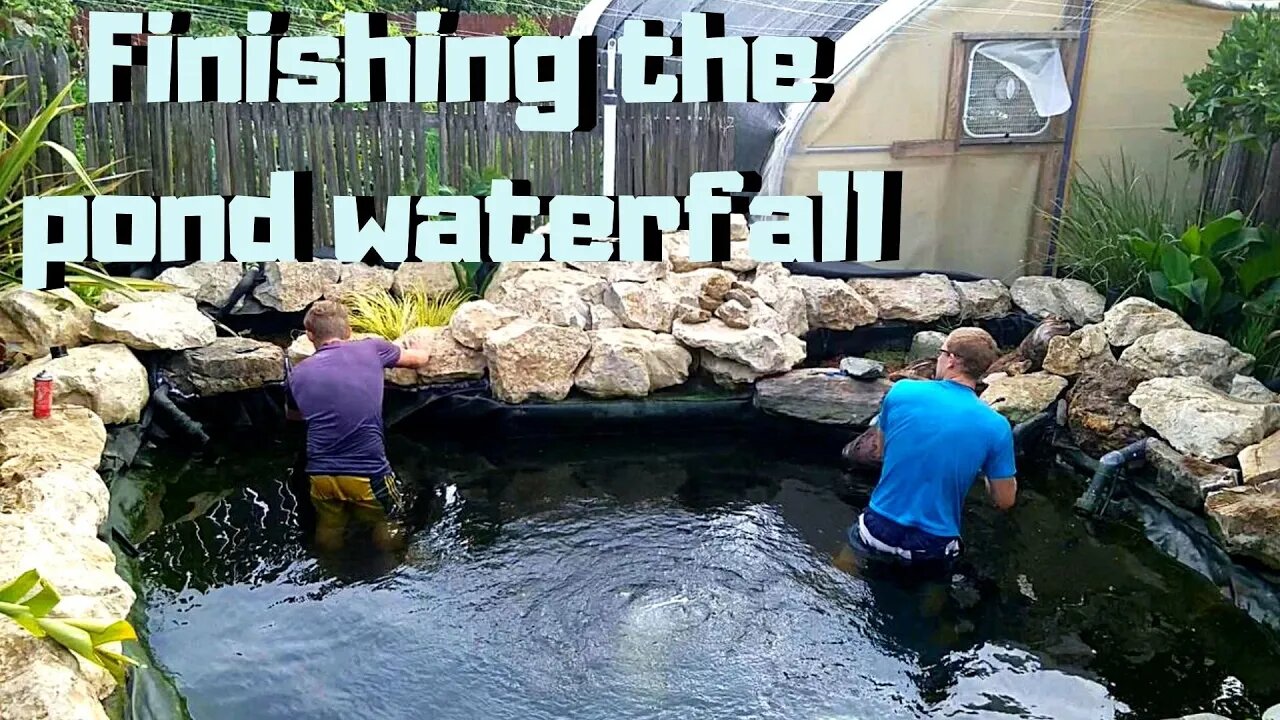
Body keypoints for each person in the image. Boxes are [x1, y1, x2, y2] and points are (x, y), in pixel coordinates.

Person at [837, 327, 1017, 577]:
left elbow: (880, 450)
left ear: (952, 360)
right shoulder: (997, 427)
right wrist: (986, 471)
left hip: (878, 529)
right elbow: (1005, 501)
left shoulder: (902, 391)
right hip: (933, 545)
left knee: (842, 575)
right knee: (928, 607)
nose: (939, 359)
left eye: (940, 353)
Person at [284, 300, 433, 552]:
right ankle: (393, 568)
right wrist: (424, 342)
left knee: (329, 527)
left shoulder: (297, 374)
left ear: (310, 335)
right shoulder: (371, 349)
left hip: (321, 475)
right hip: (368, 472)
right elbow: (418, 360)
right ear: (349, 330)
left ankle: (330, 569)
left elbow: (294, 416)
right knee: (388, 521)